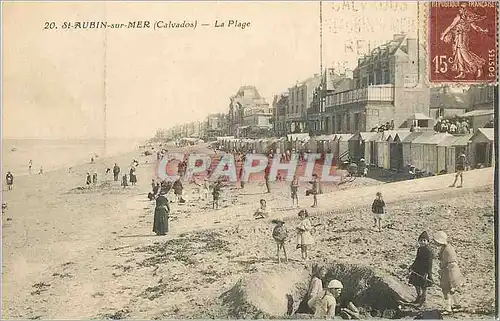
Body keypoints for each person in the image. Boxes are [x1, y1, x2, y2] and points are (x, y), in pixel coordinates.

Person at [433, 231, 464, 315]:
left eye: (435, 241)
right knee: (451, 290)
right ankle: (457, 305)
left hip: (449, 272)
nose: (434, 242)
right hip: (450, 271)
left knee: (446, 290)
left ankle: (448, 309)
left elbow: (451, 262)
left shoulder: (447, 250)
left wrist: (443, 269)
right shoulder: (446, 248)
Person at [408, 231, 434, 306]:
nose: (422, 242)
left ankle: (423, 299)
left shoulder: (429, 251)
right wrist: (412, 266)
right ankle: (418, 296)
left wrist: (427, 274)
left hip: (424, 271)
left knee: (423, 287)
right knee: (416, 284)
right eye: (421, 240)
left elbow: (429, 264)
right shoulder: (419, 249)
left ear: (427, 242)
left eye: (424, 240)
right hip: (417, 270)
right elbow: (417, 259)